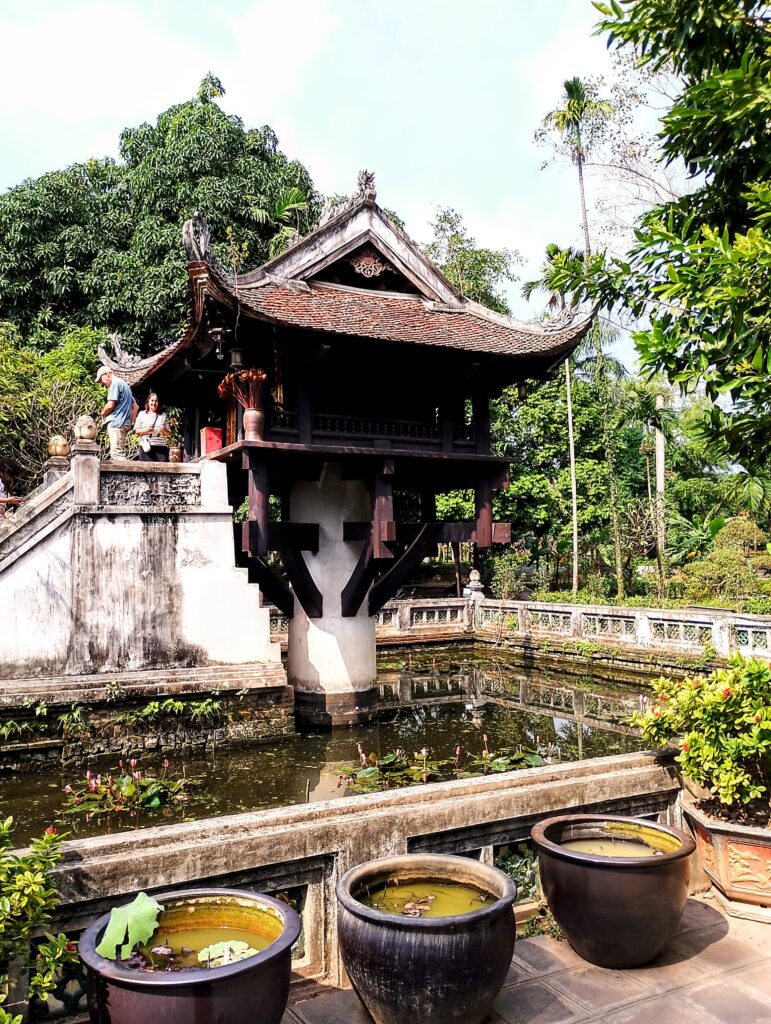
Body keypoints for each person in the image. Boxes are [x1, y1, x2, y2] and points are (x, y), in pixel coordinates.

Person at [95, 367, 138, 461]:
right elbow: (135, 407)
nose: (103, 385)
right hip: (124, 424)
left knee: (117, 455)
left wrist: (102, 413)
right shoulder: (125, 385)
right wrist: (128, 422)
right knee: (119, 452)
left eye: (101, 381)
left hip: (116, 423)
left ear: (106, 375)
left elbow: (110, 405)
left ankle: (125, 475)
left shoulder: (115, 384)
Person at [134, 392, 170, 462]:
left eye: (156, 401)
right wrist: (146, 430)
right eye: (152, 400)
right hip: (146, 448)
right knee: (145, 470)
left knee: (161, 470)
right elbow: (137, 431)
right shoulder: (142, 414)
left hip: (161, 448)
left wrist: (164, 429)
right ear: (148, 402)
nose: (154, 403)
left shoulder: (163, 415)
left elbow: (167, 433)